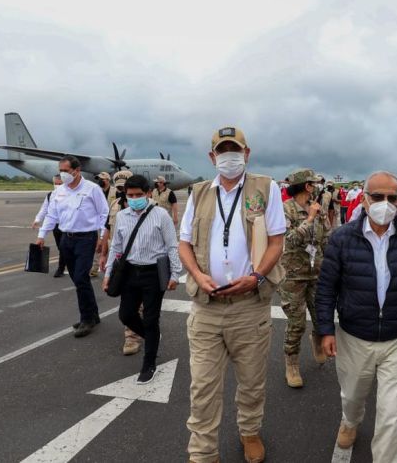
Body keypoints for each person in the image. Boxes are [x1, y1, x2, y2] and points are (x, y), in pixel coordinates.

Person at [179, 126, 285, 463]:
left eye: (235, 150)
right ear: (212, 157)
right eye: (222, 151)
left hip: (248, 306)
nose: (229, 157)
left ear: (247, 153)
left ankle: (250, 431)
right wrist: (197, 275)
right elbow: (183, 243)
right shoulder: (198, 193)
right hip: (206, 307)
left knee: (252, 382)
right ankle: (202, 452)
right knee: (203, 388)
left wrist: (256, 277)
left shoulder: (266, 188)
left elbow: (276, 242)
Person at [316, 171, 397, 463]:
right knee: (352, 397)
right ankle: (350, 421)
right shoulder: (342, 238)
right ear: (364, 200)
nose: (385, 203)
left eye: (392, 197)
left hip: (396, 337)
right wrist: (326, 330)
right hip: (354, 337)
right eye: (377, 197)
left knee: (392, 415)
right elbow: (326, 288)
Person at [103, 175, 181, 383]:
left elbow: (172, 245)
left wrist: (175, 274)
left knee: (150, 318)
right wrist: (108, 273)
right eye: (130, 195)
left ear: (148, 194)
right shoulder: (122, 216)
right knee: (126, 315)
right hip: (129, 271)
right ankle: (151, 336)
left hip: (153, 273)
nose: (134, 198)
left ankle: (149, 363)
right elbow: (116, 248)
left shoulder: (161, 215)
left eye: (139, 195)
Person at [35, 156, 109, 337]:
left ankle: (87, 319)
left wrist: (101, 237)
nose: (63, 174)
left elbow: (103, 213)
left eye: (66, 171)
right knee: (77, 279)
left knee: (81, 277)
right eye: (61, 171)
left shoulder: (92, 189)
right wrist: (41, 235)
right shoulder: (59, 191)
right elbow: (52, 215)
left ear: (77, 170)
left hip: (86, 238)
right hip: (66, 239)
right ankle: (93, 313)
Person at [280, 168, 330, 388]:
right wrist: (309, 218)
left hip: (316, 272)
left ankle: (317, 340)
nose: (317, 187)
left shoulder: (318, 208)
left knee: (322, 317)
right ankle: (292, 363)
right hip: (293, 275)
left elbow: (325, 238)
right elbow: (289, 240)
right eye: (314, 184)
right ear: (307, 186)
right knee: (297, 323)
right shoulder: (285, 210)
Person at [101, 170, 148, 356]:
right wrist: (103, 254)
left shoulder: (148, 208)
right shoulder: (114, 205)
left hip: (140, 262)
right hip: (120, 262)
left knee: (137, 303)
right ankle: (146, 328)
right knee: (126, 300)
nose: (122, 191)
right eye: (119, 187)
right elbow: (107, 229)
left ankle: (132, 336)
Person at [32, 174, 67, 278]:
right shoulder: (50, 195)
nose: (57, 185)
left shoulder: (70, 195)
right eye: (55, 183)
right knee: (61, 248)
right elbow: (44, 209)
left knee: (65, 247)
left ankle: (60, 269)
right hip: (56, 226)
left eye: (59, 183)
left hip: (68, 226)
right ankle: (64, 265)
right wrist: (37, 219)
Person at [90, 171, 114, 278]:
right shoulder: (96, 191)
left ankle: (112, 268)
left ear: (108, 180)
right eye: (99, 179)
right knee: (98, 245)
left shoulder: (115, 191)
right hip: (99, 222)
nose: (100, 181)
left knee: (111, 245)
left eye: (102, 179)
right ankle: (94, 269)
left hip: (112, 222)